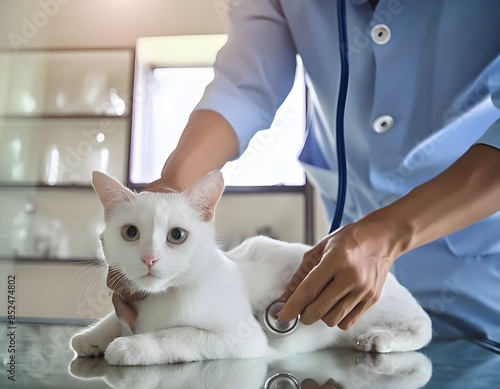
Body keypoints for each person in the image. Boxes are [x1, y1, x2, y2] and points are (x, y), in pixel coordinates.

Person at [110, 0, 500, 344]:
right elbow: (244, 85)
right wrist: (170, 199)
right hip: (345, 285)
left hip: (479, 284)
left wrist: (390, 233)